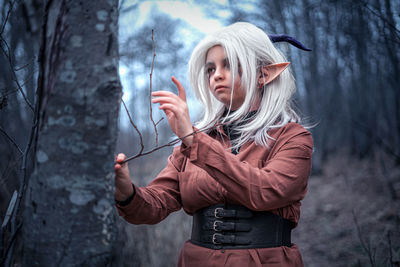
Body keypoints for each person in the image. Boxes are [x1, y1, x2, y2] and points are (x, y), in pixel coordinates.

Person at [114, 22, 313, 267]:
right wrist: (125, 192)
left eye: (228, 64)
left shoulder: (293, 137)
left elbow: (265, 191)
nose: (216, 74)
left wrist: (193, 140)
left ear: (263, 74)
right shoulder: (194, 142)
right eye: (210, 69)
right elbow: (153, 207)